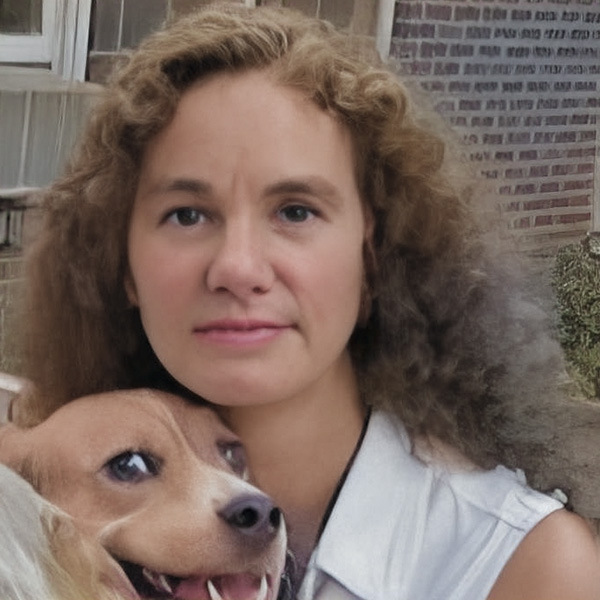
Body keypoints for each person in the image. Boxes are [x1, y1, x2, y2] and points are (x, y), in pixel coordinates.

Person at [11, 4, 600, 599]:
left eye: (296, 210)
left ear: (372, 257)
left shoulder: (525, 567)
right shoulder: (37, 512)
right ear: (123, 265)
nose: (238, 267)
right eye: (187, 214)